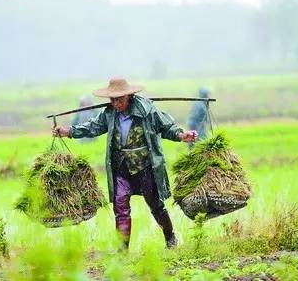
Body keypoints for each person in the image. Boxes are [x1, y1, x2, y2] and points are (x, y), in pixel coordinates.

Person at [52, 78, 197, 249]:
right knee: (120, 207)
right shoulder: (109, 114)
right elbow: (93, 127)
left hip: (145, 166)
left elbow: (166, 127)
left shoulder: (147, 110)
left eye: (119, 99)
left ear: (129, 96)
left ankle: (170, 238)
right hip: (121, 168)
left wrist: (181, 135)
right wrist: (69, 131)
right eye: (112, 99)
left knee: (155, 205)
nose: (116, 103)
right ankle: (122, 249)